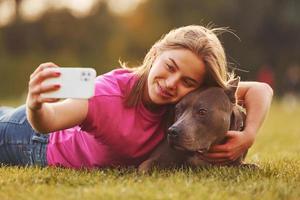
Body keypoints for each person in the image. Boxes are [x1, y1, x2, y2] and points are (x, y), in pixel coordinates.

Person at [0, 25, 273, 169]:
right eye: (169, 67)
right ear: (154, 55)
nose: (171, 84)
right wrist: (36, 104)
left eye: (187, 81)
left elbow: (261, 90)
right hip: (34, 140)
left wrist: (248, 135)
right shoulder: (106, 95)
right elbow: (48, 120)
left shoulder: (192, 99)